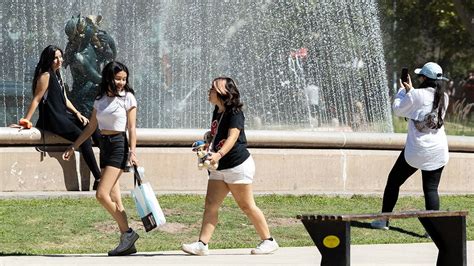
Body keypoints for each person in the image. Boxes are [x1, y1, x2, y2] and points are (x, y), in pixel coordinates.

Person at [181, 77, 279, 256]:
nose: (209, 91)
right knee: (211, 204)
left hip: (237, 165)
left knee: (246, 205)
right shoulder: (218, 111)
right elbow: (218, 135)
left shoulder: (235, 113)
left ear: (222, 92)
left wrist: (217, 154)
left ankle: (269, 241)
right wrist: (207, 143)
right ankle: (202, 244)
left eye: (212, 88)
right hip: (219, 167)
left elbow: (233, 137)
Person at [62, 61, 139, 256]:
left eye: (124, 79)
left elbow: (131, 128)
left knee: (101, 194)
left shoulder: (127, 98)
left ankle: (128, 233)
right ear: (108, 78)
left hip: (118, 145)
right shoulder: (100, 99)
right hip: (104, 145)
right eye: (117, 78)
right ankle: (126, 241)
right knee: (115, 198)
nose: (121, 82)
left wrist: (133, 151)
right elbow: (90, 127)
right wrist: (74, 146)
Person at [371, 62, 449, 230]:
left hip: (417, 150)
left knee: (393, 182)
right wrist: (410, 92)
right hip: (438, 150)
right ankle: (433, 231)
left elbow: (398, 110)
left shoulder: (416, 94)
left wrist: (402, 91)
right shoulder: (445, 96)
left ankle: (383, 220)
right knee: (431, 189)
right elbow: (423, 107)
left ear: (423, 78)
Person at [20, 45, 101, 190]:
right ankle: (99, 177)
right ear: (48, 60)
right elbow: (37, 99)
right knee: (83, 138)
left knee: (92, 127)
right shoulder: (45, 75)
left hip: (64, 116)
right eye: (55, 58)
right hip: (53, 120)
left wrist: (77, 113)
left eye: (60, 57)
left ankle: (109, 165)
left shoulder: (57, 74)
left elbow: (65, 98)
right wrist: (26, 120)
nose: (59, 60)